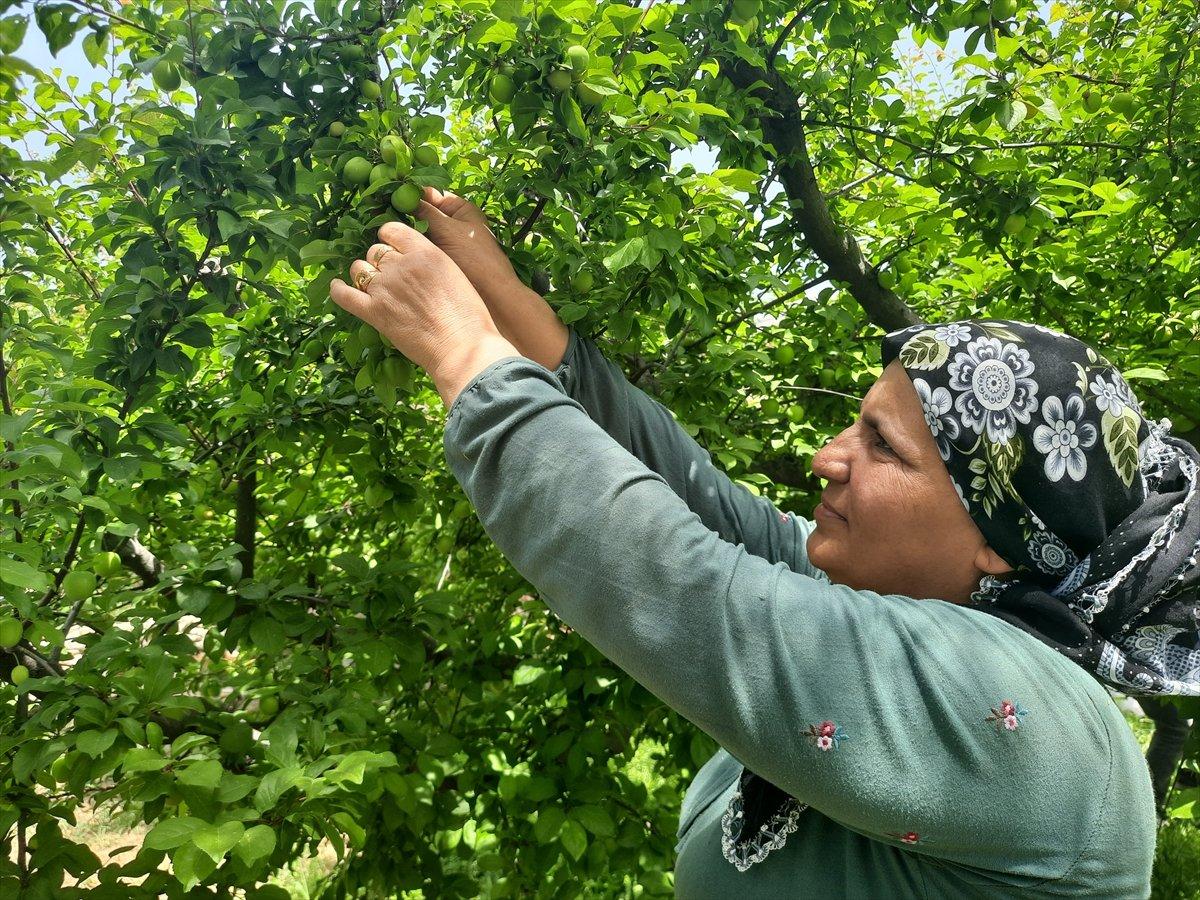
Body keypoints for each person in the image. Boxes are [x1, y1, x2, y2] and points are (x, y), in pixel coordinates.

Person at [338, 188, 1200, 897]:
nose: (829, 458)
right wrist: (498, 292)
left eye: (882, 445)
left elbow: (691, 589)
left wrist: (467, 358)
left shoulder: (1041, 722)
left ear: (1002, 546)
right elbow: (697, 496)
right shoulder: (885, 600)